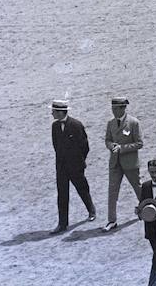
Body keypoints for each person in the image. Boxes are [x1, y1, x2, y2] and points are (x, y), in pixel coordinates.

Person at [50, 99, 95, 233]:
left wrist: (80, 163)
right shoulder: (54, 126)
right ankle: (62, 224)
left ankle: (91, 210)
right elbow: (56, 145)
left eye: (53, 111)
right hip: (61, 167)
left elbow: (85, 146)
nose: (52, 114)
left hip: (76, 166)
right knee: (62, 195)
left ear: (60, 112)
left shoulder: (76, 125)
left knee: (82, 189)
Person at [103, 96, 143, 231]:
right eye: (112, 109)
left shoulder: (133, 123)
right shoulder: (110, 123)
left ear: (123, 108)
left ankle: (145, 210)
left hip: (130, 163)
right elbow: (107, 140)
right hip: (115, 163)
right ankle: (112, 220)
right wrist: (111, 145)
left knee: (138, 188)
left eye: (115, 109)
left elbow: (139, 143)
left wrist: (122, 148)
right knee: (112, 192)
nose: (113, 111)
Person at [137, 159, 156, 286]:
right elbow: (142, 205)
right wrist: (139, 212)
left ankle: (152, 284)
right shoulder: (145, 186)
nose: (154, 175)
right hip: (150, 229)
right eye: (151, 172)